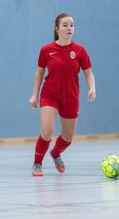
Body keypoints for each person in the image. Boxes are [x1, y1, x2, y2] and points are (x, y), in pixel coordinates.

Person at [29, 13, 96, 176]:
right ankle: (37, 164)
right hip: (50, 96)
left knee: (67, 138)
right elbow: (39, 73)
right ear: (57, 29)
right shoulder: (46, 50)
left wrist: (92, 88)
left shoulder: (80, 50)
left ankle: (55, 153)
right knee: (47, 132)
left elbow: (88, 73)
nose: (69, 28)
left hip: (71, 97)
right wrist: (35, 95)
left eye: (71, 25)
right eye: (65, 25)